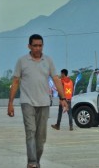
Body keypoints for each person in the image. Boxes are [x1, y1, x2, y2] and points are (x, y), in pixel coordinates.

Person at [7, 34, 68, 168]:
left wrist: (63, 98)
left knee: (41, 138)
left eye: (40, 45)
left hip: (44, 103)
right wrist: (10, 103)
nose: (37, 48)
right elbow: (16, 81)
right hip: (27, 102)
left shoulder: (48, 61)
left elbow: (56, 79)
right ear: (29, 46)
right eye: (35, 46)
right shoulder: (22, 61)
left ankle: (36, 161)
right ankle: (32, 162)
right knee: (30, 131)